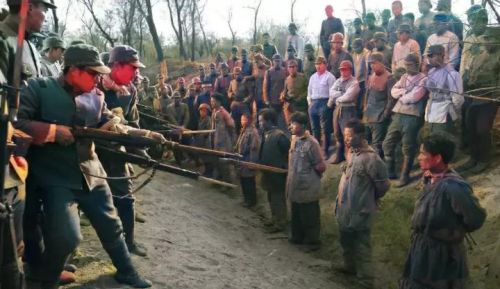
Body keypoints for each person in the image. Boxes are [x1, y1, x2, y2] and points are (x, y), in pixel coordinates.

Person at [16, 44, 152, 288]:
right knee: (67, 237)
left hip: (92, 172)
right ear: (73, 70)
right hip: (54, 176)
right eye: (92, 73)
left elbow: (109, 122)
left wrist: (145, 134)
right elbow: (17, 124)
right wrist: (52, 132)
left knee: (112, 226)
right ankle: (44, 281)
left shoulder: (97, 96)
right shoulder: (39, 88)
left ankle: (127, 273)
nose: (99, 78)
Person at [399, 134, 486, 289]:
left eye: (423, 153)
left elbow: (475, 218)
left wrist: (452, 233)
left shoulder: (453, 187)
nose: (419, 157)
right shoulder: (429, 179)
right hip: (422, 249)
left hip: (441, 256)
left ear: (437, 158)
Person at [97, 45, 149, 257]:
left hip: (115, 150)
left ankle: (129, 242)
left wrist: (140, 149)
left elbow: (133, 123)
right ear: (116, 66)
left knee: (125, 197)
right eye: (132, 67)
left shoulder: (132, 90)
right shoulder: (94, 82)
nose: (136, 72)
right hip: (90, 149)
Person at [335, 119, 390, 287]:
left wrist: (369, 198)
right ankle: (349, 267)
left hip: (361, 211)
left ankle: (366, 280)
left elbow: (382, 186)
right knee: (346, 240)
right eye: (345, 135)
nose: (346, 139)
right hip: (346, 209)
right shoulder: (352, 153)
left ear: (360, 136)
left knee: (362, 245)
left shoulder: (372, 159)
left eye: (349, 136)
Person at [458, 12, 500, 174]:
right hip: (474, 95)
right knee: (470, 125)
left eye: (491, 40)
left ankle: (483, 160)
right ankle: (473, 158)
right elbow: (471, 73)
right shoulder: (479, 54)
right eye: (486, 39)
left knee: (482, 129)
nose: (488, 42)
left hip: (489, 97)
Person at [383, 54, 428, 187]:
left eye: (410, 65)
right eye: (406, 65)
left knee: (408, 147)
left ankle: (405, 176)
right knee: (387, 143)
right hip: (398, 114)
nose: (408, 68)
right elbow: (393, 91)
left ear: (417, 64)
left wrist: (403, 95)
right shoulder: (404, 77)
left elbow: (415, 97)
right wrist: (404, 92)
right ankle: (390, 172)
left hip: (412, 116)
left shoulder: (423, 79)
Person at [286, 112, 326, 251]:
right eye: (290, 123)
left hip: (307, 186)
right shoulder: (294, 139)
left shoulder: (312, 143)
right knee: (296, 214)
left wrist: (309, 176)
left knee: (309, 216)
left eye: (294, 124)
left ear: (303, 125)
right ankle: (297, 237)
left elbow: (321, 166)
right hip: (295, 185)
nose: (290, 126)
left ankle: (312, 242)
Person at [258, 109, 290, 232]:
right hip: (268, 173)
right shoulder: (266, 134)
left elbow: (287, 155)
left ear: (269, 121)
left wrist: (283, 169)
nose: (260, 123)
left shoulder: (279, 136)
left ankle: (281, 222)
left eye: (261, 121)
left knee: (278, 198)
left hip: (277, 174)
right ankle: (274, 218)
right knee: (271, 197)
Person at [424, 44, 463, 135]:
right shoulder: (431, 72)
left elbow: (458, 98)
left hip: (445, 113)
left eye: (431, 56)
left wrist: (453, 113)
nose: (429, 59)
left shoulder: (452, 74)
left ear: (441, 55)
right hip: (430, 111)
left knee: (443, 140)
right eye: (428, 56)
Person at [363, 52, 396, 159]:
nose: (372, 66)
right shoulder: (371, 76)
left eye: (374, 63)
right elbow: (367, 94)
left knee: (377, 145)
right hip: (369, 115)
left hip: (380, 117)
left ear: (382, 63)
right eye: (370, 64)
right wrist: (365, 108)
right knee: (366, 142)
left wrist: (385, 115)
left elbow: (391, 99)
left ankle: (378, 169)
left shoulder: (389, 77)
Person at [327, 60, 360, 164]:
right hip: (338, 109)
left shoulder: (354, 82)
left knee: (348, 134)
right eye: (341, 70)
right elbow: (331, 92)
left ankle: (349, 157)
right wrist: (341, 94)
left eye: (345, 70)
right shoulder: (338, 81)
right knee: (337, 133)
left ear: (350, 70)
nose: (343, 72)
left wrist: (338, 97)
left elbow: (348, 96)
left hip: (348, 110)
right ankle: (340, 155)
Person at [306, 56, 336, 157]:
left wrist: (328, 105)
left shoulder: (330, 77)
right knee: (314, 128)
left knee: (325, 128)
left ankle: (324, 150)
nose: (318, 66)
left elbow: (333, 92)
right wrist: (310, 102)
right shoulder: (313, 77)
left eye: (320, 64)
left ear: (325, 65)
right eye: (316, 64)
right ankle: (316, 149)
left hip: (324, 102)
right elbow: (309, 91)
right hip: (314, 103)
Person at [235, 113, 260, 208]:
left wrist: (252, 163)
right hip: (242, 159)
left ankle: (251, 201)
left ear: (249, 120)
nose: (242, 122)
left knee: (249, 182)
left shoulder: (253, 132)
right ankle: (246, 199)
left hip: (248, 160)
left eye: (244, 120)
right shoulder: (244, 131)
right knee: (243, 181)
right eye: (241, 120)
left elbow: (254, 148)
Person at [211, 93, 235, 183]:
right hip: (216, 140)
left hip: (224, 142)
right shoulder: (214, 111)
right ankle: (218, 180)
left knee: (224, 163)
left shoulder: (224, 113)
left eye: (213, 101)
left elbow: (231, 125)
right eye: (211, 101)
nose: (212, 103)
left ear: (218, 102)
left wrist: (231, 140)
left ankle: (227, 182)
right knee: (217, 162)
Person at [282, 59, 309, 126]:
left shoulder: (303, 77)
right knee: (292, 125)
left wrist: (300, 98)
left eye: (293, 67)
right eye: (290, 67)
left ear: (297, 67)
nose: (292, 69)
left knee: (302, 125)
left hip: (301, 106)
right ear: (287, 68)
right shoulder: (287, 79)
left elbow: (308, 90)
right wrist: (283, 96)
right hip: (291, 106)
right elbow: (285, 91)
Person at [228, 66, 253, 133]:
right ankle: (236, 135)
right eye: (236, 74)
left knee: (247, 120)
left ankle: (248, 134)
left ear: (241, 73)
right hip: (234, 104)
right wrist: (231, 95)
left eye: (238, 74)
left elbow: (251, 94)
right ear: (233, 74)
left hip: (243, 104)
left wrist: (247, 99)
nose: (237, 75)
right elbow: (229, 92)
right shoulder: (232, 82)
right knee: (234, 121)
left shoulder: (246, 82)